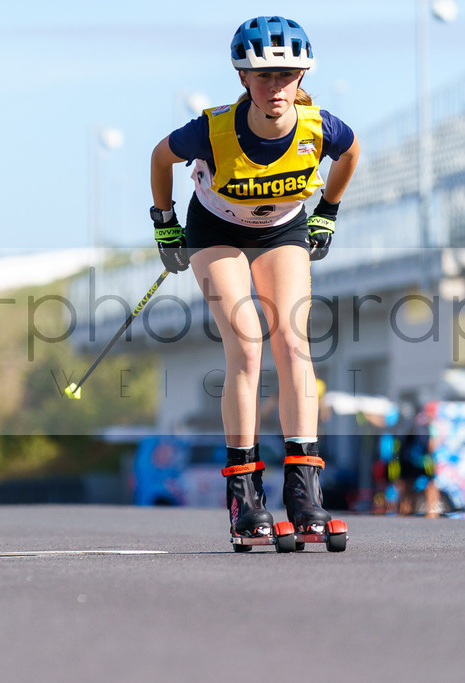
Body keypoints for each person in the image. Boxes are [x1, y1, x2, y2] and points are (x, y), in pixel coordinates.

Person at [150, 15, 360, 542]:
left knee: (293, 342)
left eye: (287, 75)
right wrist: (165, 223)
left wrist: (327, 210)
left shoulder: (321, 127)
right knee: (246, 346)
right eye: (263, 77)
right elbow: (160, 156)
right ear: (243, 77)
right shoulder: (212, 129)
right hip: (215, 226)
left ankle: (305, 493)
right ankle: (245, 497)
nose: (276, 88)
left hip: (282, 228)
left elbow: (351, 153)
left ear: (303, 74)